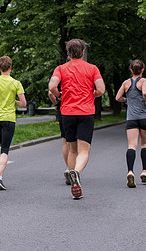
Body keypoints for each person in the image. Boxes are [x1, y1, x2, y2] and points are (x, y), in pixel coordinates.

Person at [48, 39, 105, 199]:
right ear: (83, 51)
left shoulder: (61, 68)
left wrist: (60, 95)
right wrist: (92, 94)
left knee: (72, 149)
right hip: (86, 111)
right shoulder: (92, 68)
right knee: (84, 150)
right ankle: (76, 173)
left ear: (68, 52)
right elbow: (101, 89)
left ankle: (74, 179)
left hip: (67, 112)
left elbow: (52, 86)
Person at [0, 56, 26, 190]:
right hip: (9, 119)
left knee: (2, 145)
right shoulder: (16, 83)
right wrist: (14, 102)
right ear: (10, 67)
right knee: (6, 150)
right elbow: (24, 103)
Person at [115, 59, 146, 188]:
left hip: (131, 118)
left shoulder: (126, 83)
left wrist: (127, 99)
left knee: (132, 145)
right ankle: (144, 171)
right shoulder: (145, 81)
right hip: (145, 117)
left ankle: (130, 171)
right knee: (144, 144)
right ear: (142, 70)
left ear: (131, 70)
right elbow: (144, 93)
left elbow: (117, 98)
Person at [48, 85, 70, 185]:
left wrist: (56, 104)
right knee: (77, 142)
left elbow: (50, 93)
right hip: (78, 109)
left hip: (63, 109)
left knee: (66, 141)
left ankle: (68, 167)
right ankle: (74, 168)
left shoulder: (60, 76)